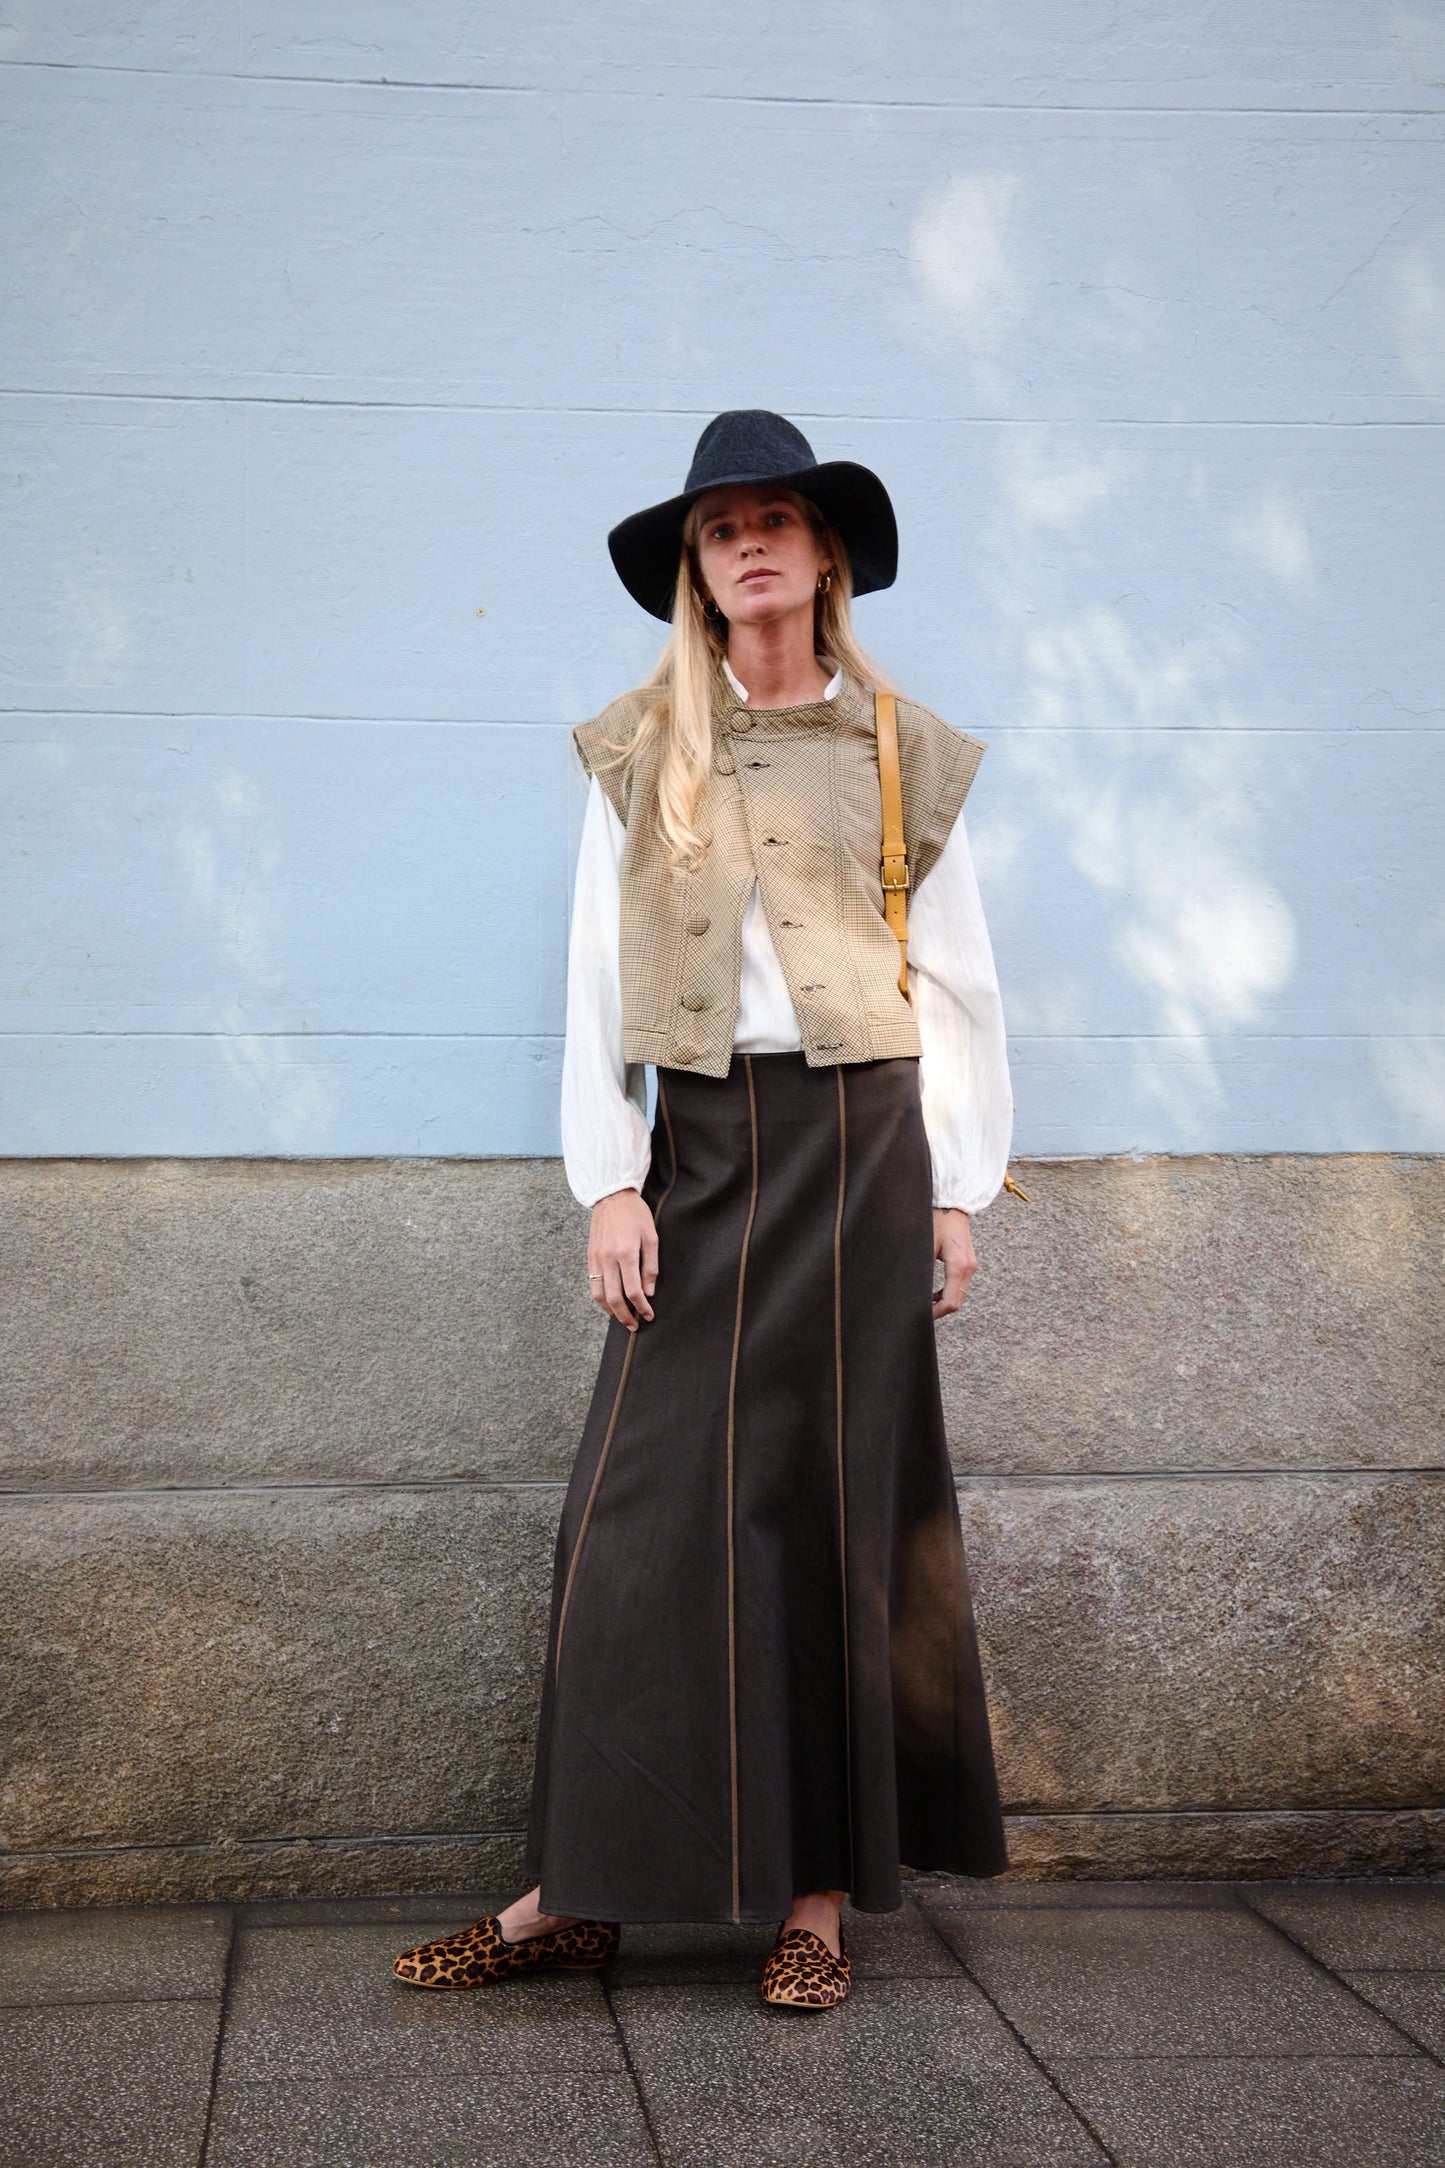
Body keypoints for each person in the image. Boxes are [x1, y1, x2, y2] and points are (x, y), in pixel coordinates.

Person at [393, 409, 1013, 2010]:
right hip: (705, 1151)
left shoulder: (902, 750)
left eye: (775, 520)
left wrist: (954, 1191)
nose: (747, 544)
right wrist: (611, 1176)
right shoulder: (636, 747)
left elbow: (953, 985)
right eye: (719, 525)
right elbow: (598, 985)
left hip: (864, 1151)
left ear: (821, 556)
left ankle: (814, 1906)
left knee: (831, 1511)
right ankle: (576, 1889)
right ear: (697, 566)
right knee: (635, 1526)